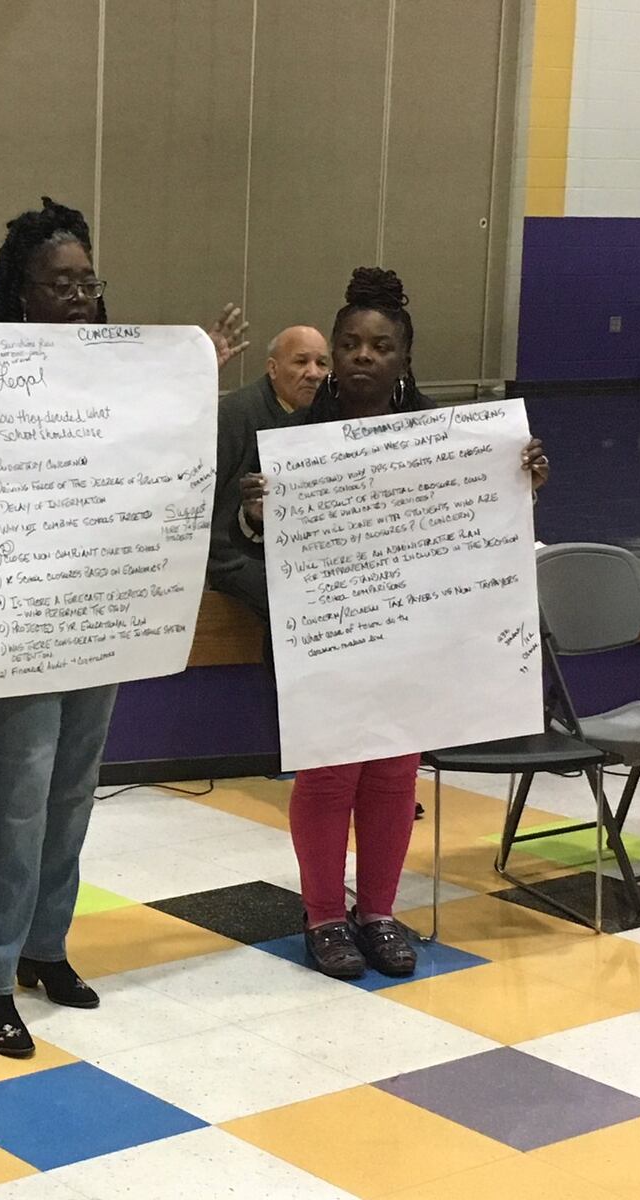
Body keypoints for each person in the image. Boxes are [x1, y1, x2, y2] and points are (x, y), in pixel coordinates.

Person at [0, 198, 247, 1056]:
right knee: (16, 800)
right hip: (17, 605)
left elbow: (169, 455)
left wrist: (192, 377)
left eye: (87, 283)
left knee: (73, 789)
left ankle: (45, 946)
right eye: (58, 284)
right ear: (20, 291)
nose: (77, 297)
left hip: (104, 600)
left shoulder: (120, 368)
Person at [235, 267, 549, 980]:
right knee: (328, 777)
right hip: (326, 638)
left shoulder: (452, 438)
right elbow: (249, 535)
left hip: (412, 638)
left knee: (392, 773)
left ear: (404, 359)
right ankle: (322, 916)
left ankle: (377, 911)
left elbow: (485, 527)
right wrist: (255, 511)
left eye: (379, 345)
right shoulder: (293, 439)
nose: (361, 356)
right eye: (348, 343)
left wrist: (522, 481)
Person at [208, 326, 330, 621]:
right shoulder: (236, 414)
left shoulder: (327, 414)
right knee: (298, 604)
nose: (313, 373)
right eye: (301, 362)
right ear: (273, 369)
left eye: (322, 363)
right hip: (231, 554)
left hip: (298, 550)